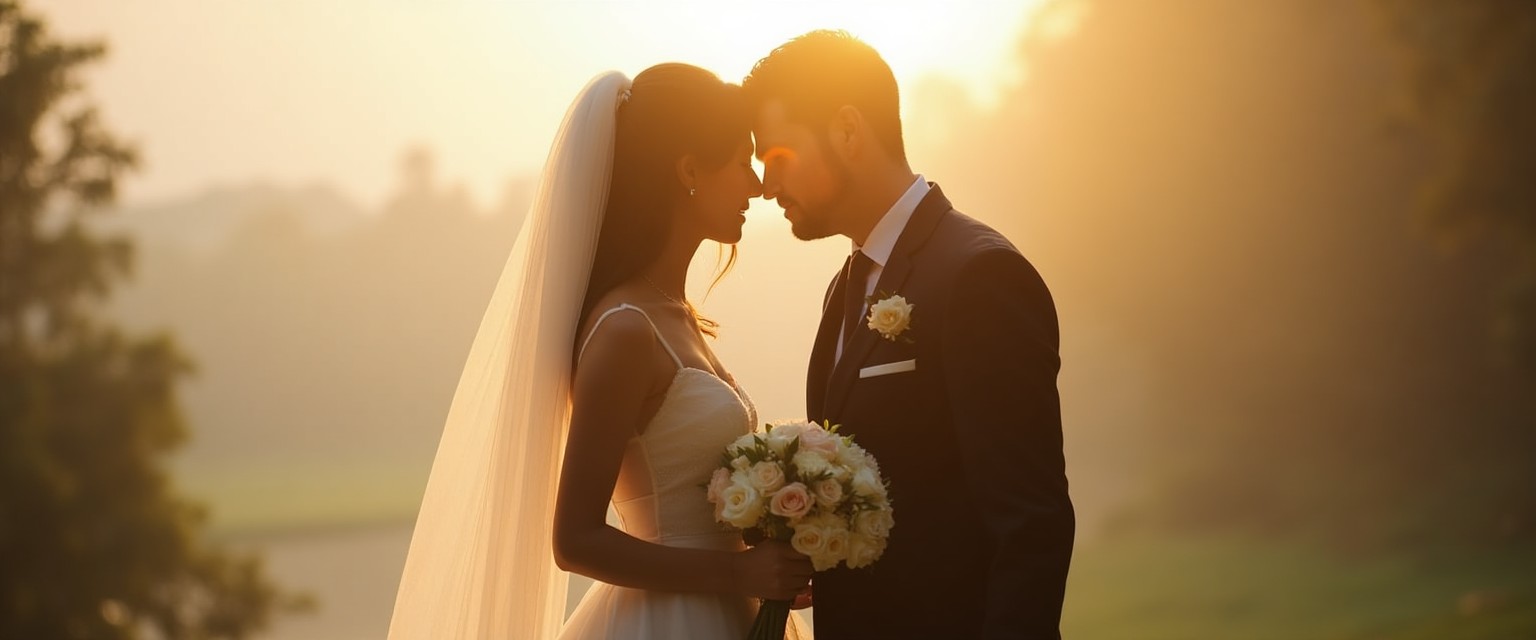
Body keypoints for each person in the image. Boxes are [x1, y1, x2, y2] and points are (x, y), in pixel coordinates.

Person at [387, 64, 811, 639]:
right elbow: (575, 540)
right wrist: (736, 571)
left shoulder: (675, 315)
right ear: (689, 170)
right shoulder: (626, 330)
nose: (757, 186)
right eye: (741, 162)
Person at [744, 30, 1076, 638]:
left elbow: (1030, 524)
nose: (766, 185)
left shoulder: (979, 274)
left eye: (779, 155)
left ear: (847, 131)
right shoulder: (845, 285)